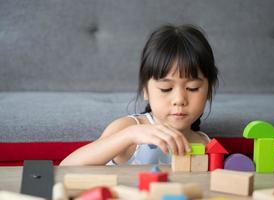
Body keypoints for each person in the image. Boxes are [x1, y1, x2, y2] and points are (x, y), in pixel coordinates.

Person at [60, 24, 218, 166]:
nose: (179, 100)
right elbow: (66, 167)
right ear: (145, 90)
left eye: (192, 88)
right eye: (165, 88)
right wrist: (129, 135)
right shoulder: (128, 129)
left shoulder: (205, 144)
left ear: (209, 91)